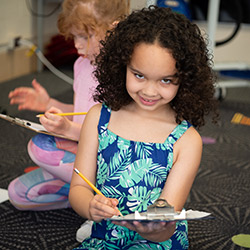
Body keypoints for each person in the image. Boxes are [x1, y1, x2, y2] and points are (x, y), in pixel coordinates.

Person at [69, 5, 218, 249]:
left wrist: (156, 229)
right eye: (138, 75)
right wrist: (89, 206)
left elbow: (167, 216)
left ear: (185, 80)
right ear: (122, 66)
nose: (149, 91)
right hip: (106, 236)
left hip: (158, 242)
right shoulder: (98, 117)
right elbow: (79, 187)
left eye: (166, 80)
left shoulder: (186, 140)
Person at [7, 0, 130, 242]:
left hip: (107, 161)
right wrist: (48, 103)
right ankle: (81, 195)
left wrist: (69, 129)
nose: (76, 44)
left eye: (85, 36)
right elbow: (79, 112)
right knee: (17, 195)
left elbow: (111, 131)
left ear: (113, 30)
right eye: (73, 36)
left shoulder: (123, 75)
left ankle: (105, 206)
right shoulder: (81, 64)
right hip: (80, 151)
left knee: (40, 147)